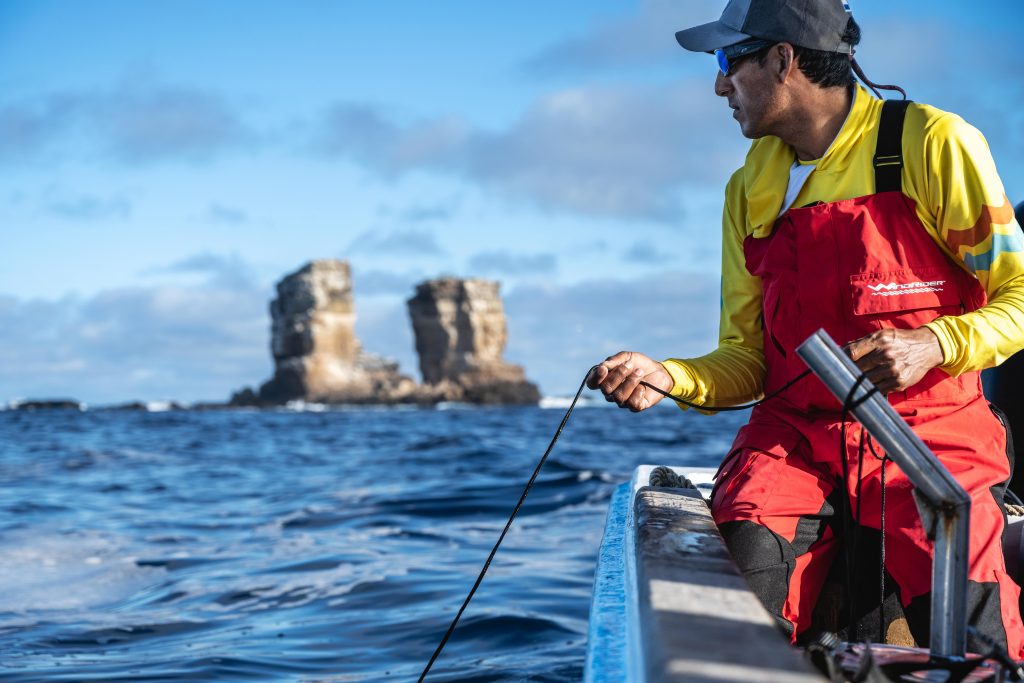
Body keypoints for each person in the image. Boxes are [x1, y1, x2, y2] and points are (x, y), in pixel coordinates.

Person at [587, 0, 1024, 656]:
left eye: (727, 61)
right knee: (730, 580)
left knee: (979, 632)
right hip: (794, 440)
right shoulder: (747, 190)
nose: (718, 84)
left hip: (930, 436)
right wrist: (669, 375)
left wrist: (936, 342)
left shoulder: (933, 143)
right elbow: (748, 361)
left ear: (783, 59)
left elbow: (1016, 297)